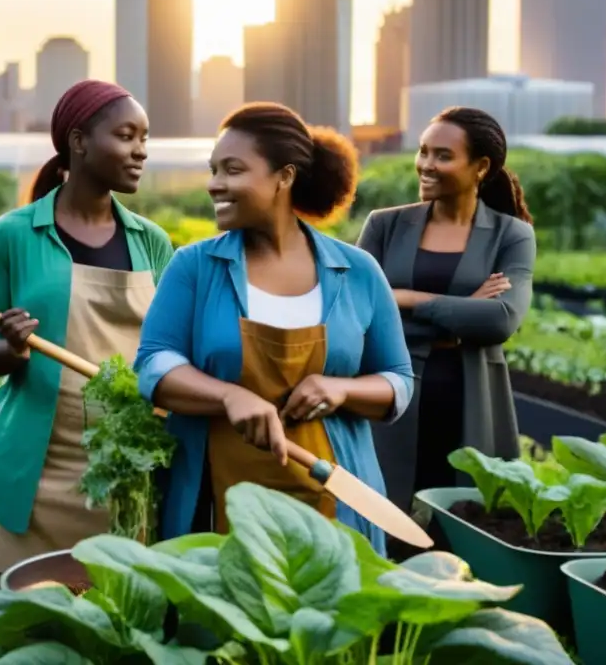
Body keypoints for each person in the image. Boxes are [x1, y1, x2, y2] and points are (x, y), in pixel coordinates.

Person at [134, 102, 414, 555]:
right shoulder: (195, 266)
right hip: (218, 504)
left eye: (233, 170)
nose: (214, 185)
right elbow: (153, 364)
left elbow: (398, 381)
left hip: (331, 499)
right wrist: (228, 395)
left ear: (284, 177)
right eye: (213, 170)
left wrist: (340, 389)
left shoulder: (358, 271)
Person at [0, 79, 174, 574]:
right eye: (126, 136)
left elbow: (170, 351)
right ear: (79, 142)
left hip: (126, 469)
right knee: (30, 628)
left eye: (144, 138)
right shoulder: (14, 235)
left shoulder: (152, 242)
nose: (140, 151)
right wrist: (13, 346)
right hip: (38, 475)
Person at [358, 106, 536, 516]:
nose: (426, 165)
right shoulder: (384, 225)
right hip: (389, 397)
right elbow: (355, 314)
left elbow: (500, 320)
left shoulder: (511, 235)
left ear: (481, 167)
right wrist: (458, 315)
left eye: (443, 155)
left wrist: (403, 298)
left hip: (469, 401)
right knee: (385, 521)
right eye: (423, 151)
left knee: (463, 524)